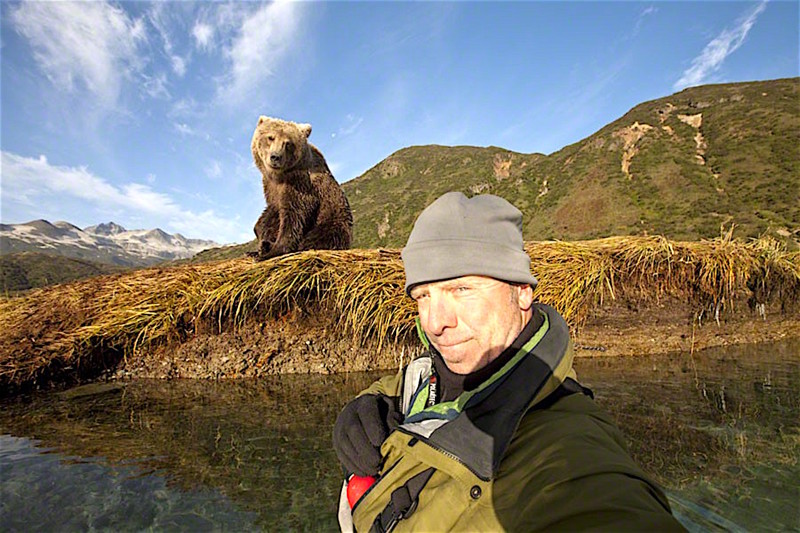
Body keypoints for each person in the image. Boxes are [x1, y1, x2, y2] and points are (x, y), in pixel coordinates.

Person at [332, 192, 684, 532]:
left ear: (522, 291)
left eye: (460, 289)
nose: (435, 322)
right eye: (423, 296)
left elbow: (605, 508)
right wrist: (371, 401)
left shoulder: (570, 451)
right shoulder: (433, 372)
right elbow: (415, 379)